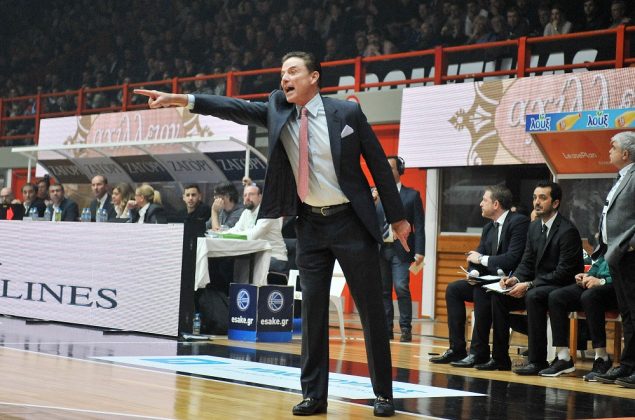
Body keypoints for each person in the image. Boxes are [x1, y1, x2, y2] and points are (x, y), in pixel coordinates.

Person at [135, 50, 410, 417]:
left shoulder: (347, 113)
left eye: (293, 71)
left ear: (314, 77)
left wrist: (398, 218)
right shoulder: (278, 109)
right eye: (282, 73)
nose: (285, 78)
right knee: (312, 312)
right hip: (310, 225)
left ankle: (383, 395)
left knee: (371, 310)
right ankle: (314, 396)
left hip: (351, 223)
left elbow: (377, 164)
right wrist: (183, 100)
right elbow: (232, 107)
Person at [475, 182, 583, 375]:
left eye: (543, 198)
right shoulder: (533, 228)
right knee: (499, 294)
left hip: (561, 285)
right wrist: (515, 279)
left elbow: (564, 273)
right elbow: (526, 262)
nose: (537, 202)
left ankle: (537, 360)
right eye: (534, 197)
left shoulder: (567, 231)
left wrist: (529, 284)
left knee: (534, 296)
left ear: (555, 203)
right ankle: (500, 358)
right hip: (538, 284)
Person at [432, 185, 529, 367]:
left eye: (484, 200)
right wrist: (473, 273)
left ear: (496, 204)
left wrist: (482, 259)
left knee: (481, 291)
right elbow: (476, 256)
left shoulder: (518, 222)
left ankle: (479, 352)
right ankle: (457, 349)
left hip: (512, 282)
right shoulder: (488, 228)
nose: (480, 204)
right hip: (489, 282)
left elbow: (512, 258)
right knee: (454, 289)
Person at [595, 131, 635, 386]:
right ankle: (628, 365)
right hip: (616, 255)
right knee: (627, 314)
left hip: (629, 254)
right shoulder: (622, 177)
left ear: (626, 153)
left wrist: (630, 245)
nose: (609, 151)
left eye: (613, 147)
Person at [373, 156, 425, 343]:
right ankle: (386, 329)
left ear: (399, 171)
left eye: (391, 168)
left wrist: (420, 251)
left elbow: (419, 225)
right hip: (380, 249)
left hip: (401, 250)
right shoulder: (375, 195)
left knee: (401, 287)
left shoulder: (412, 195)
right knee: (383, 291)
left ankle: (405, 328)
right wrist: (372, 201)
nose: (386, 171)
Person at [546, 248, 617, 380]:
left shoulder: (625, 244)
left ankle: (602, 358)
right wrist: (587, 275)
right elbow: (599, 264)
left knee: (589, 296)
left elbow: (626, 273)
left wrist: (602, 281)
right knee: (556, 297)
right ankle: (563, 358)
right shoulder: (607, 246)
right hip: (597, 283)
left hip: (616, 286)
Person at [227, 184, 288, 274]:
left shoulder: (268, 212)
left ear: (260, 197)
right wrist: (223, 234)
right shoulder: (246, 212)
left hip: (274, 257)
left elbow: (253, 236)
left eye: (251, 194)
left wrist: (232, 234)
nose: (247, 198)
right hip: (255, 255)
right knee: (228, 263)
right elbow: (236, 229)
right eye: (245, 195)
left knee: (243, 266)